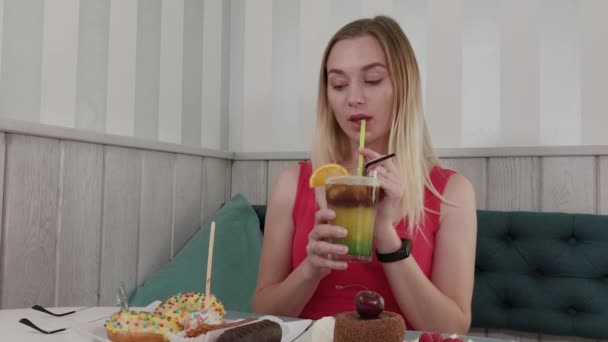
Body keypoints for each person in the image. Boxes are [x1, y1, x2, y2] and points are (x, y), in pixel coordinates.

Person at [251, 15, 477, 335]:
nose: (353, 98)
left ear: (404, 86)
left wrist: (386, 234)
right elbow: (264, 313)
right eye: (339, 84)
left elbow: (450, 328)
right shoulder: (293, 183)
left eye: (372, 80)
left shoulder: (452, 192)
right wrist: (310, 269)